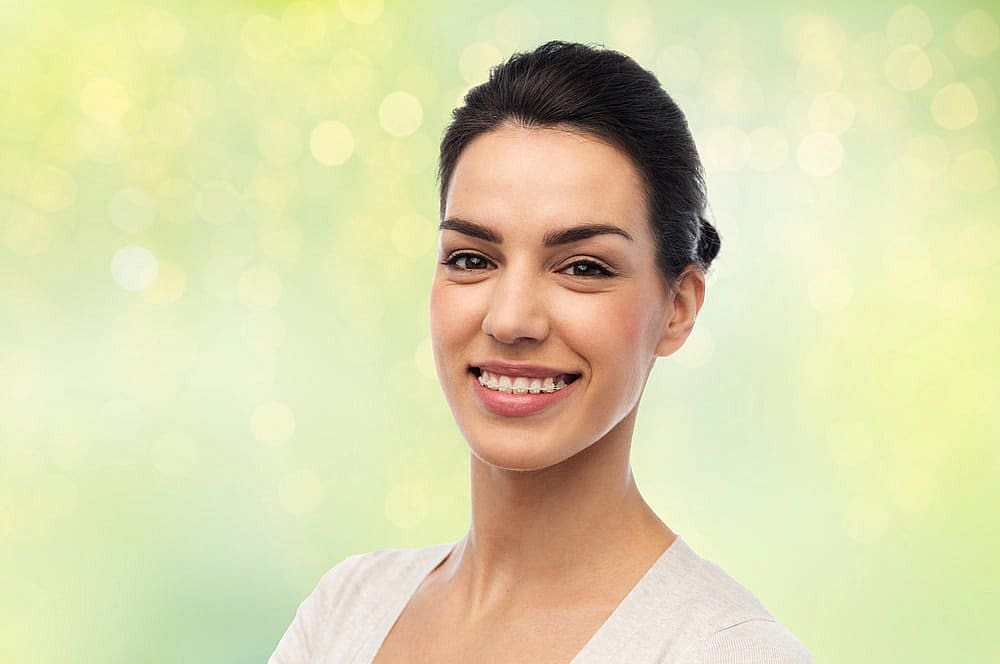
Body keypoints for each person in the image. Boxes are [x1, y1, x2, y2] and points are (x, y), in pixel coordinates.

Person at [269, 40, 813, 663]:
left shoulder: (726, 653)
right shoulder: (345, 611)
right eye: (472, 259)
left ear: (679, 306)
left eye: (582, 267)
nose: (510, 319)